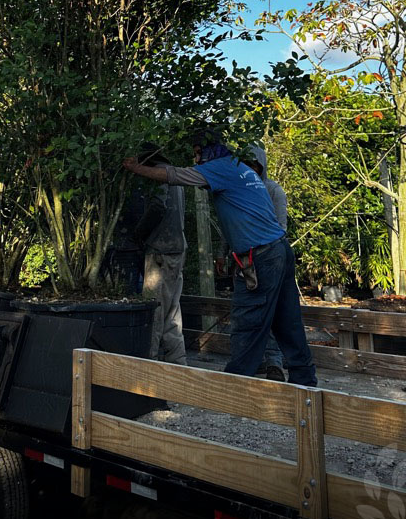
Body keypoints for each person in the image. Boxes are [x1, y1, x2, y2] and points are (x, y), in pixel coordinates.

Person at [123, 127, 316, 386]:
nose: (195, 160)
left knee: (248, 319)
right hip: (278, 250)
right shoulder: (240, 168)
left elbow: (175, 175)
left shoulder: (220, 167)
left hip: (260, 257)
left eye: (196, 154)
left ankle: (234, 385)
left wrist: (136, 168)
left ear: (208, 151)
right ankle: (305, 380)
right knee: (287, 319)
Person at [129, 142, 188, 365]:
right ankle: (177, 362)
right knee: (172, 309)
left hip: (161, 249)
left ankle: (150, 363)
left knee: (154, 308)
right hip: (177, 247)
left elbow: (157, 206)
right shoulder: (174, 176)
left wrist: (139, 234)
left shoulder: (159, 177)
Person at [242, 143, 288, 381]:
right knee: (249, 311)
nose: (250, 168)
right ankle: (256, 361)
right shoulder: (239, 190)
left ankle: (274, 361)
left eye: (254, 164)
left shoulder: (273, 191)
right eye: (246, 164)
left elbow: (281, 229)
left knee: (269, 309)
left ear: (261, 166)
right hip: (243, 259)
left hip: (268, 257)